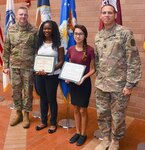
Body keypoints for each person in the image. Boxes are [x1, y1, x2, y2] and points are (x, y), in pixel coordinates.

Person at [94, 4, 141, 150]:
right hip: (101, 84)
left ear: (115, 14)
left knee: (118, 116)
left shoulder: (125, 33)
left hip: (119, 85)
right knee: (102, 113)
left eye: (110, 12)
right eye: (104, 13)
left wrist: (129, 84)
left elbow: (133, 59)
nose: (107, 15)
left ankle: (115, 140)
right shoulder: (98, 35)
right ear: (101, 15)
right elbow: (97, 60)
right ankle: (105, 138)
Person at [3, 6, 37, 128]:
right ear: (17, 16)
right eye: (21, 14)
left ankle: (26, 115)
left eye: (25, 15)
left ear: (28, 16)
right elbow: (6, 49)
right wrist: (5, 65)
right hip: (14, 67)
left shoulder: (34, 30)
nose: (23, 17)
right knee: (16, 91)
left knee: (28, 91)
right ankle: (18, 114)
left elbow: (37, 50)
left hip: (28, 67)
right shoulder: (11, 29)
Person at [67, 24, 96, 146]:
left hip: (84, 84)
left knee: (83, 110)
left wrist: (84, 77)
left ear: (85, 36)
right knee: (75, 109)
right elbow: (69, 66)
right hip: (74, 84)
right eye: (76, 33)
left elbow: (93, 69)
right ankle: (77, 132)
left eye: (80, 34)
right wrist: (67, 77)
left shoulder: (90, 50)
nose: (77, 36)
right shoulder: (71, 49)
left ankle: (83, 134)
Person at [35, 20, 64, 134]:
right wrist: (38, 69)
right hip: (39, 75)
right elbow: (37, 59)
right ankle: (43, 121)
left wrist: (49, 70)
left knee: (51, 98)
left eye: (49, 28)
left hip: (52, 75)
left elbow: (61, 61)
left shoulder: (58, 43)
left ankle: (52, 123)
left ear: (53, 30)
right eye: (45, 28)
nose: (46, 30)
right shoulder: (39, 42)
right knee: (42, 98)